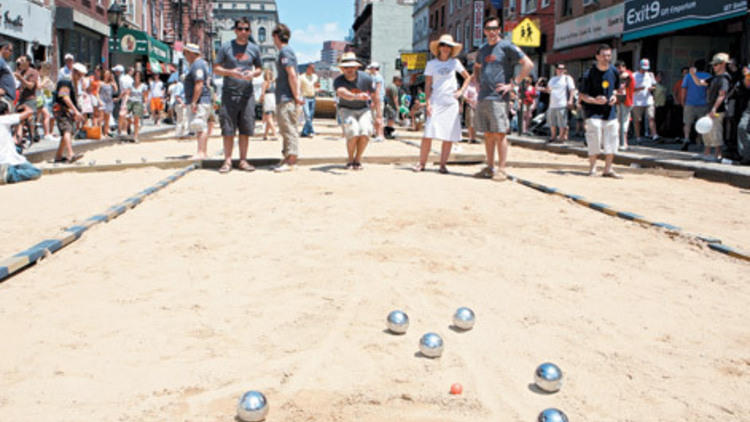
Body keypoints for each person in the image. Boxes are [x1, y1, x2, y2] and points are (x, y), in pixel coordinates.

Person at [472, 15, 534, 179]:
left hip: (499, 97)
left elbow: (528, 64)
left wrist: (513, 84)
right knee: (488, 134)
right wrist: (477, 83)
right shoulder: (483, 49)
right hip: (484, 96)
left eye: (494, 29)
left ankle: (502, 169)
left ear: (499, 30)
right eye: (488, 29)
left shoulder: (506, 46)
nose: (491, 32)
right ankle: (490, 167)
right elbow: (477, 67)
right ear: (484, 31)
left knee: (500, 133)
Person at [414, 34, 471, 174]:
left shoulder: (455, 63)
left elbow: (468, 77)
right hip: (436, 101)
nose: (445, 48)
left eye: (448, 46)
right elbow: (428, 84)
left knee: (449, 135)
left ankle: (443, 164)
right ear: (438, 48)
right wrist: (427, 103)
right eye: (443, 45)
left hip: (451, 102)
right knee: (428, 134)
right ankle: (421, 163)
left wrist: (461, 92)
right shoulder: (431, 64)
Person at [213, 17, 263, 173]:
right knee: (228, 128)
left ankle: (243, 160)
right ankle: (227, 161)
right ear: (235, 30)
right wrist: (230, 72)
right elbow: (216, 68)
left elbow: (260, 68)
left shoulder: (254, 49)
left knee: (245, 129)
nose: (243, 32)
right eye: (240, 29)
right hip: (229, 94)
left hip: (247, 94)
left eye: (246, 29)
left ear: (249, 31)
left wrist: (253, 73)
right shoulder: (226, 47)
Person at [333, 52, 380, 170]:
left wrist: (378, 115)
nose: (349, 69)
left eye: (352, 67)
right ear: (342, 68)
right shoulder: (338, 80)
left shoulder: (366, 78)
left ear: (356, 67)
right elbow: (342, 92)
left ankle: (357, 159)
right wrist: (357, 96)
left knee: (365, 132)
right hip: (346, 109)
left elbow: (375, 96)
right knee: (353, 132)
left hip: (364, 109)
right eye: (346, 67)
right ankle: (350, 159)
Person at [580, 44, 620, 178]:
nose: (606, 58)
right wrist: (594, 100)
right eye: (603, 55)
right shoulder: (589, 73)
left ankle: (608, 168)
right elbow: (582, 96)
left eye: (608, 55)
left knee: (612, 139)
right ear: (597, 56)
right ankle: (593, 168)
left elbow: (616, 89)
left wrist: (614, 96)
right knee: (594, 137)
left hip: (610, 111)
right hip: (593, 112)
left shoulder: (614, 71)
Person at [271, 23, 303, 172]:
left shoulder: (285, 52)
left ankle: (291, 161)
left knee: (289, 128)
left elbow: (292, 75)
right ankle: (286, 158)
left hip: (287, 97)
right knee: (285, 128)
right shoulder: (286, 52)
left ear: (276, 37)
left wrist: (296, 96)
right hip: (284, 96)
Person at [689, 53, 731, 161]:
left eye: (716, 64)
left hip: (718, 110)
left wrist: (714, 109)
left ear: (723, 64)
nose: (714, 67)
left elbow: (722, 95)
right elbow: (699, 83)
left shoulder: (724, 78)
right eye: (713, 65)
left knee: (716, 131)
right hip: (711, 108)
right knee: (707, 131)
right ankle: (706, 153)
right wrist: (693, 75)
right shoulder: (714, 78)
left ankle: (718, 155)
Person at [52, 62, 86, 163]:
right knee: (67, 130)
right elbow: (65, 97)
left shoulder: (71, 83)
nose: (80, 78)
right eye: (79, 75)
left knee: (66, 132)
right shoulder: (65, 82)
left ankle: (58, 156)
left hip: (66, 111)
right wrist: (75, 111)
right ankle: (71, 154)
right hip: (61, 110)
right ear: (74, 72)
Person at [0, 106, 41, 185]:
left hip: (7, 159)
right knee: (36, 172)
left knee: (17, 150)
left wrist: (20, 124)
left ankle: (7, 173)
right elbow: (29, 112)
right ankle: (9, 175)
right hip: (8, 160)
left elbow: (15, 140)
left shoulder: (6, 124)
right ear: (6, 112)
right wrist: (24, 106)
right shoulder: (5, 119)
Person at [680, 59, 710, 151]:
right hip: (703, 104)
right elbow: (709, 92)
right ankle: (699, 141)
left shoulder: (688, 76)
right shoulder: (708, 76)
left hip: (689, 103)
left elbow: (684, 90)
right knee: (701, 124)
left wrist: (682, 101)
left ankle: (686, 138)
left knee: (687, 123)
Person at [543, 63, 575, 143]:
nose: (561, 70)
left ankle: (561, 137)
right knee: (552, 122)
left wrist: (570, 100)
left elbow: (572, 89)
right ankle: (553, 136)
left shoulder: (567, 78)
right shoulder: (552, 79)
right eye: (559, 68)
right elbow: (548, 90)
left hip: (562, 103)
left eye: (562, 68)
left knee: (562, 122)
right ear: (556, 69)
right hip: (552, 104)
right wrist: (545, 89)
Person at [13, 55, 38, 142]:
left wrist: (20, 78)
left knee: (30, 118)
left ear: (28, 62)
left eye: (23, 60)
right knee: (19, 118)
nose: (21, 62)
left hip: (29, 99)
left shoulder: (33, 72)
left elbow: (31, 86)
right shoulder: (21, 72)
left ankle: (32, 137)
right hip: (21, 99)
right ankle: (19, 137)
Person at [632, 58, 658, 141]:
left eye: (646, 69)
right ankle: (638, 136)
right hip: (637, 101)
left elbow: (654, 86)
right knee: (637, 120)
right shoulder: (634, 75)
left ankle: (654, 135)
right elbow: (630, 89)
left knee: (651, 117)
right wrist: (638, 89)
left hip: (648, 100)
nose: (644, 70)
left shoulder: (650, 75)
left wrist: (652, 88)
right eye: (643, 68)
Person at [615, 60, 635, 149]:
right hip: (619, 101)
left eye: (619, 68)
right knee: (620, 122)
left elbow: (625, 75)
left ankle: (623, 142)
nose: (619, 70)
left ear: (624, 67)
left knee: (623, 122)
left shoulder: (628, 73)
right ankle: (622, 142)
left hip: (626, 101)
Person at [366, 62, 385, 142]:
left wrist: (375, 101)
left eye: (371, 68)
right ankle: (378, 134)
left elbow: (377, 90)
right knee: (375, 118)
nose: (370, 70)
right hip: (376, 99)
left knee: (378, 117)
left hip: (377, 100)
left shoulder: (377, 77)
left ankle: (380, 135)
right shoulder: (375, 77)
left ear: (374, 68)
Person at [126, 72, 147, 142]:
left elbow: (145, 97)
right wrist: (124, 103)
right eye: (135, 76)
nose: (137, 77)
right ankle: (129, 123)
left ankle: (135, 136)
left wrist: (145, 106)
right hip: (130, 101)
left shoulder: (143, 86)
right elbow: (128, 94)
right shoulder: (131, 85)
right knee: (125, 116)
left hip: (138, 102)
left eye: (138, 76)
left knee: (136, 119)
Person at [299, 63, 319, 137]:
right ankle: (311, 131)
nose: (312, 70)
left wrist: (317, 89)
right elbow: (298, 87)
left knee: (310, 116)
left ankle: (304, 132)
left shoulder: (315, 76)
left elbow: (317, 85)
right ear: (307, 68)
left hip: (313, 97)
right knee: (307, 115)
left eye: (313, 68)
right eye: (311, 68)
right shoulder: (301, 77)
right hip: (305, 97)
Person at [259, 68, 277, 140]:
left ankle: (275, 133)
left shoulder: (265, 83)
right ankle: (265, 135)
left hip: (267, 99)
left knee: (268, 118)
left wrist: (261, 100)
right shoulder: (274, 83)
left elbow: (263, 93)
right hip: (273, 98)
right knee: (269, 117)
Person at [117, 67, 135, 137]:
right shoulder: (130, 79)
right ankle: (126, 129)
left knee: (123, 114)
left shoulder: (123, 79)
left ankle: (122, 130)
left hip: (126, 98)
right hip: (129, 98)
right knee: (126, 115)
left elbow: (126, 90)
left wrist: (119, 98)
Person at [99, 70, 116, 137]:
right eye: (106, 74)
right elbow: (97, 92)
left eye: (108, 74)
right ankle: (100, 133)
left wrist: (113, 81)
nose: (107, 75)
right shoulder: (101, 83)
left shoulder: (111, 83)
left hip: (109, 101)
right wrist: (99, 100)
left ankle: (106, 133)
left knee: (107, 118)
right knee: (101, 118)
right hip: (102, 100)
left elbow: (116, 90)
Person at [0, 41, 15, 113]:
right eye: (10, 50)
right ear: (4, 49)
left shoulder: (3, 62)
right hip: (3, 99)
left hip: (7, 99)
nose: (11, 53)